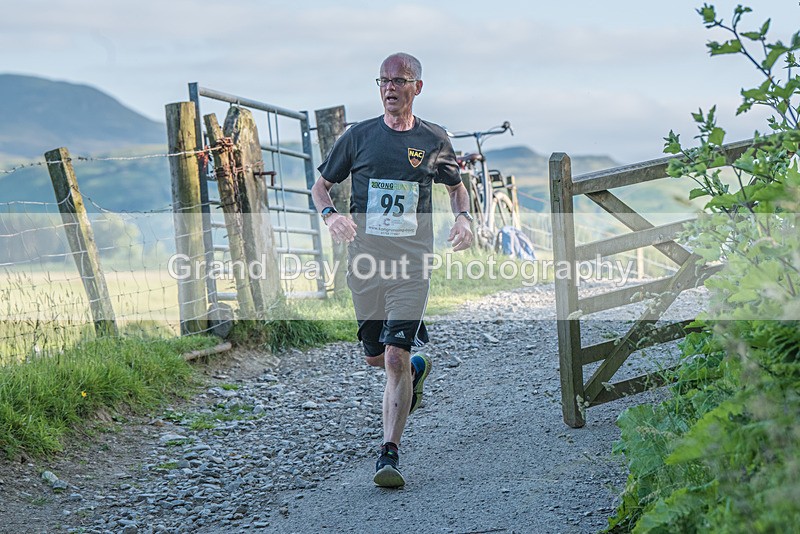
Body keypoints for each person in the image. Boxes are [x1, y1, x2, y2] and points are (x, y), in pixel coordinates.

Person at [311, 52, 474, 488]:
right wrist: (331, 216)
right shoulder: (358, 137)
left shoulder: (434, 140)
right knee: (376, 358)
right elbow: (321, 185)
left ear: (416, 87)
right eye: (383, 80)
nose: (389, 88)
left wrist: (464, 218)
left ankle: (389, 453)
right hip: (364, 262)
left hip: (412, 264)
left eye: (399, 81)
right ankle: (417, 368)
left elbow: (459, 190)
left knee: (394, 358)